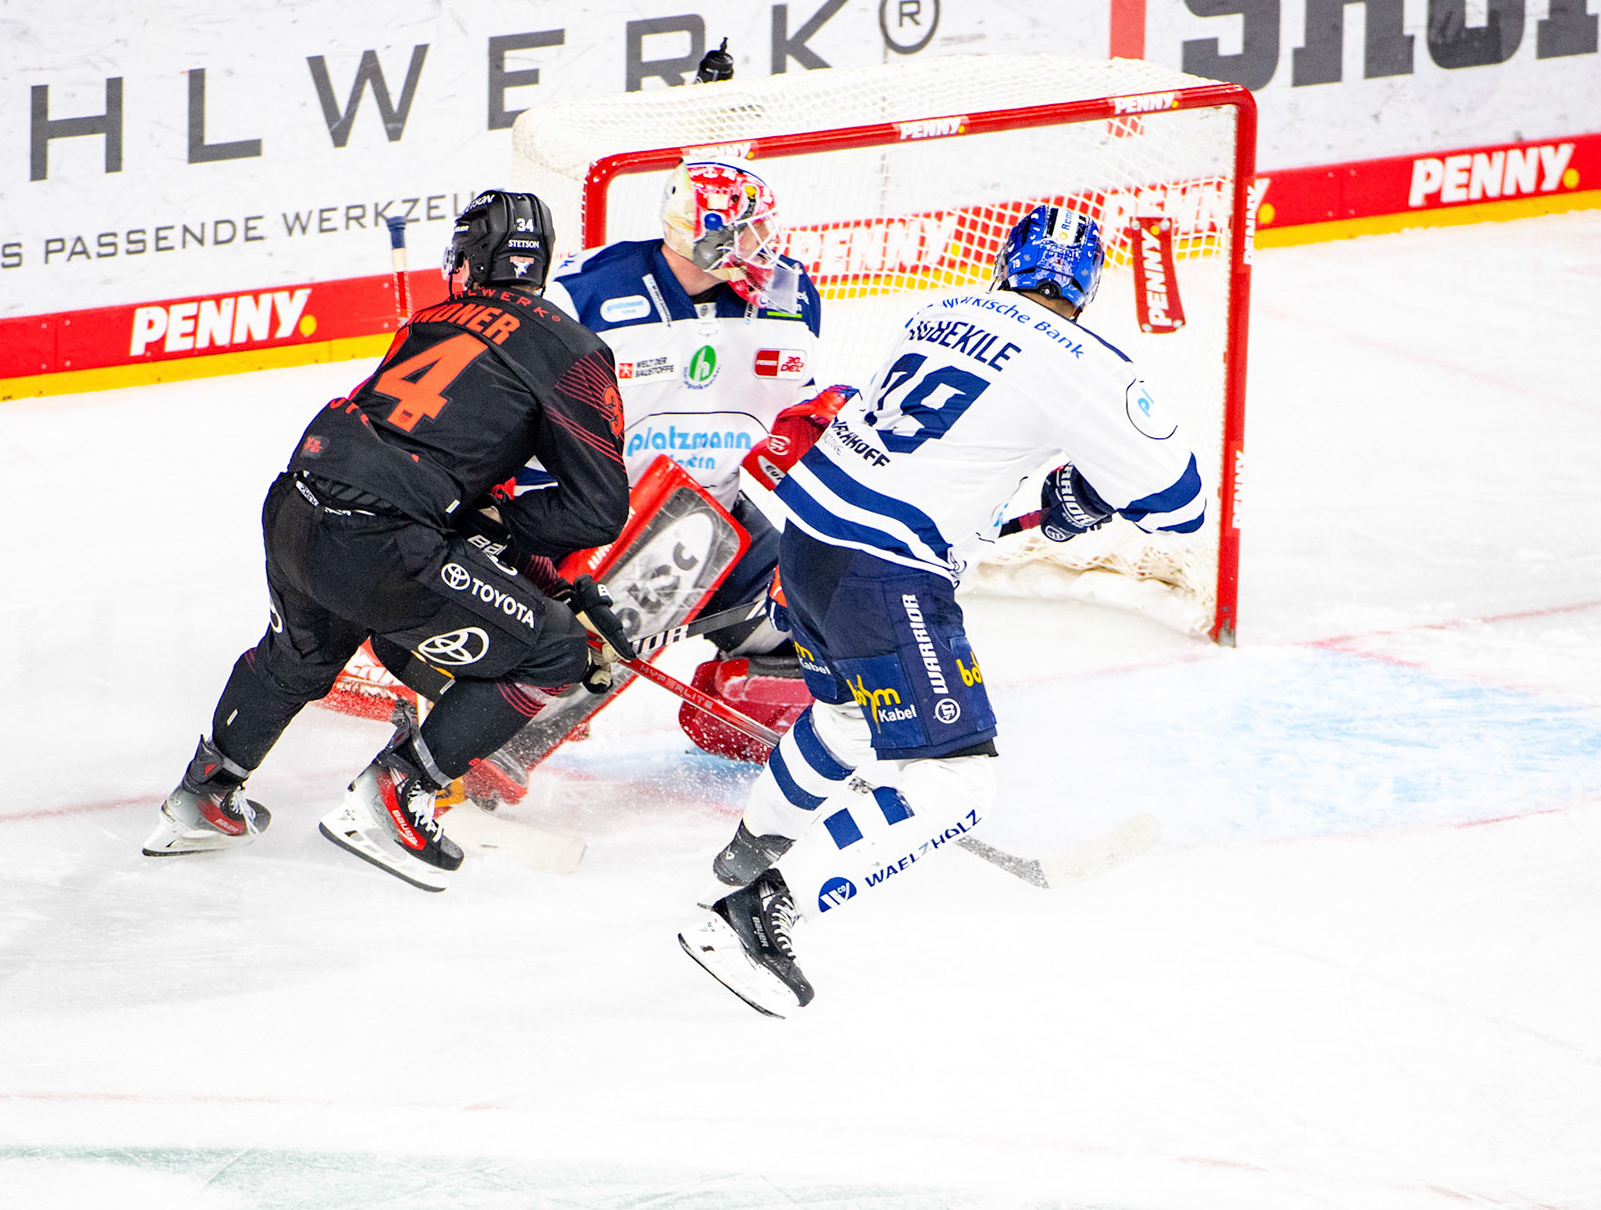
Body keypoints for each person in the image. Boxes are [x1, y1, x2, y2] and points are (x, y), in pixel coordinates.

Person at [677, 204, 1207, 1015]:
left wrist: (1065, 496)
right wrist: (1084, 496)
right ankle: (755, 915)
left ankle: (745, 858)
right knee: (958, 782)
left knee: (844, 721)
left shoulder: (940, 311)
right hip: (884, 568)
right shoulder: (1085, 364)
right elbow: (1181, 506)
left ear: (1006, 263)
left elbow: (942, 447)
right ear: (1087, 288)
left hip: (808, 537)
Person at [143, 190, 633, 892]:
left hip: (298, 503)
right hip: (383, 540)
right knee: (555, 652)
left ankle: (205, 794)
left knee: (299, 656)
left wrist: (526, 565)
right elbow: (597, 510)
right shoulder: (574, 349)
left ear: (473, 262)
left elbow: (430, 465)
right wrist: (517, 546)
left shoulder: (431, 320)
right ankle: (399, 792)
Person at [453, 159, 842, 798]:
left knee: (822, 611)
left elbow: (792, 411)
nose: (762, 246)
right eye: (747, 232)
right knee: (606, 615)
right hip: (584, 521)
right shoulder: (583, 292)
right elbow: (499, 409)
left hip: (714, 510)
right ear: (704, 233)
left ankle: (750, 715)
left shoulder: (791, 295)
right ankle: (493, 740)